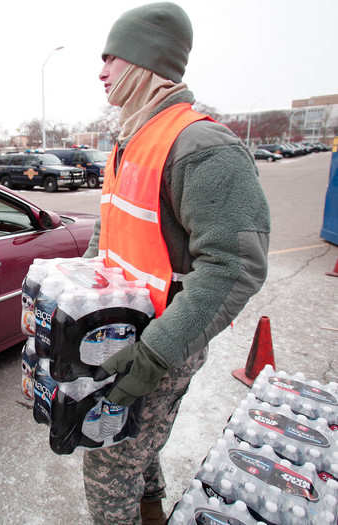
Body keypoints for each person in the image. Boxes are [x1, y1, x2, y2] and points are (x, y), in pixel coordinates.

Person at [81, 3, 271, 524]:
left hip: (163, 343)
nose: (100, 71)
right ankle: (151, 510)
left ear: (145, 62)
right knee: (136, 446)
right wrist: (77, 288)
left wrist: (156, 352)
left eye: (112, 58)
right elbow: (111, 227)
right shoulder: (133, 135)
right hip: (123, 334)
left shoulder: (200, 144)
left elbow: (235, 265)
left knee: (106, 467)